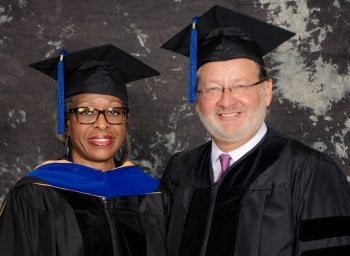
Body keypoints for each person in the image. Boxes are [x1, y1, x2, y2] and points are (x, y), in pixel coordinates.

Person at [160, 5, 350, 256]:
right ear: (197, 97)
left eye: (240, 86)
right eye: (213, 88)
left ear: (266, 90)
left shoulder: (309, 172)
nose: (227, 101)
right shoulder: (179, 171)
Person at [0, 44, 167, 256]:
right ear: (67, 121)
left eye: (114, 111)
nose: (102, 124)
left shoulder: (153, 195)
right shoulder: (35, 195)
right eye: (86, 111)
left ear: (126, 120)